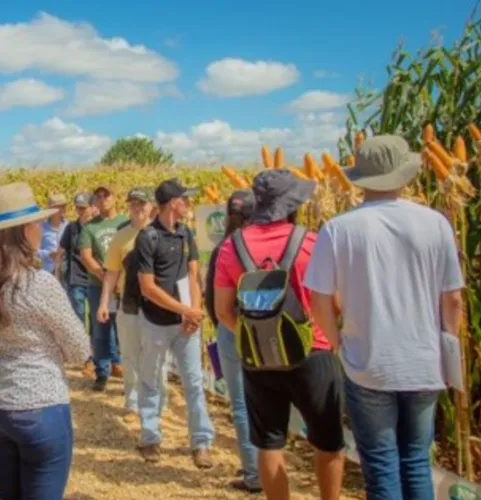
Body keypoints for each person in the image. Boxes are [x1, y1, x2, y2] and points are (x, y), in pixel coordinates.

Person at [305, 135, 464, 500]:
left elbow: (319, 299)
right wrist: (447, 346)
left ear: (359, 178)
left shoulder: (337, 229)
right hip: (425, 362)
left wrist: (337, 342)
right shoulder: (435, 223)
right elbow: (452, 298)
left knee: (381, 464)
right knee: (415, 460)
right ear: (404, 176)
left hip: (367, 363)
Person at [213, 169, 344, 500]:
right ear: (291, 204)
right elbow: (335, 304)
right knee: (328, 441)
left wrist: (258, 339)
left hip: (259, 358)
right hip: (313, 352)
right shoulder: (312, 242)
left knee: (269, 443)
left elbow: (224, 311)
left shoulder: (232, 245)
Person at [0, 182, 91, 500]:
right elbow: (79, 349)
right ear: (21, 232)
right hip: (38, 405)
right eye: (35, 222)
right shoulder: (39, 284)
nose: (40, 228)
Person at [133, 178, 215, 467]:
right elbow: (147, 288)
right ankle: (150, 437)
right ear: (171, 204)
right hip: (156, 323)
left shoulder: (186, 234)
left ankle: (201, 442)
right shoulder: (147, 238)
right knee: (151, 379)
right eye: (185, 199)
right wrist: (186, 310)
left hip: (185, 325)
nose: (189, 204)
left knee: (194, 382)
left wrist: (194, 312)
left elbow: (193, 275)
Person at [204, 189, 261, 493]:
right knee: (264, 401)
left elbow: (213, 300)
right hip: (268, 332)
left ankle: (253, 473)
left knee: (240, 404)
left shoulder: (224, 247)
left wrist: (224, 327)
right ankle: (265, 464)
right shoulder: (264, 244)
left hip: (231, 327)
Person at [96, 187, 168, 423]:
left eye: (141, 204)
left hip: (158, 305)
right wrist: (104, 302)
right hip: (129, 303)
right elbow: (112, 272)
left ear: (151, 207)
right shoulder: (121, 236)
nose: (137, 209)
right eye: (132, 204)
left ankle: (158, 404)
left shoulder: (163, 233)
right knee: (130, 356)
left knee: (157, 358)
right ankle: (133, 403)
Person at [79, 185, 128, 391]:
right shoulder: (90, 228)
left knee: (124, 329)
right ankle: (102, 372)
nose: (102, 199)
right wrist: (104, 275)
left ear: (115, 198)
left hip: (125, 287)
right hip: (98, 286)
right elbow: (86, 255)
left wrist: (120, 278)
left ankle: (125, 367)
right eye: (98, 197)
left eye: (106, 195)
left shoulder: (125, 223)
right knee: (100, 330)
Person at [57, 193, 96, 376]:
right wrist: (58, 275)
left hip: (95, 277)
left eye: (84, 207)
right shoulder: (71, 228)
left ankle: (99, 357)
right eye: (78, 207)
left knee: (96, 319)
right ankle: (85, 357)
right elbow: (61, 251)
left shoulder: (97, 226)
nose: (81, 210)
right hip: (76, 278)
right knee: (79, 318)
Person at [39, 194, 68, 274]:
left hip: (65, 272)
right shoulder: (41, 228)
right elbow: (34, 251)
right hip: (48, 272)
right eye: (59, 207)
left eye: (64, 206)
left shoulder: (68, 226)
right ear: (51, 210)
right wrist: (48, 254)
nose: (62, 209)